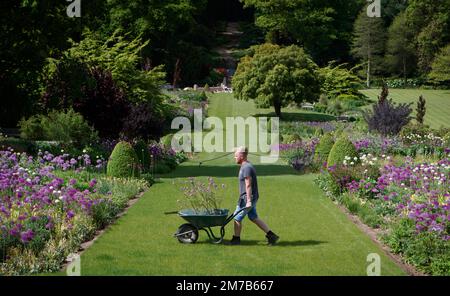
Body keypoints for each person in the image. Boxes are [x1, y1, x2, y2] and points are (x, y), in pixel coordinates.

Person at [230, 146, 279, 245]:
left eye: (236, 156)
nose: (234, 157)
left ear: (242, 156)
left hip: (247, 199)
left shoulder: (246, 168)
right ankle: (272, 236)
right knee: (253, 217)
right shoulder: (246, 165)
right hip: (251, 198)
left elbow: (248, 185)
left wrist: (248, 201)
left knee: (237, 218)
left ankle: (236, 239)